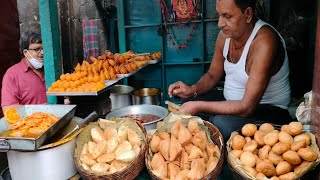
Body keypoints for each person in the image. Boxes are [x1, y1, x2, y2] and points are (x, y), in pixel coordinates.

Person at [168, 0, 292, 141]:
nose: (220, 23)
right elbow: (212, 75)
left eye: (227, 16)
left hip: (268, 110)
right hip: (231, 101)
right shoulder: (225, 36)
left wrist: (198, 106)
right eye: (219, 15)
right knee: (187, 103)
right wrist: (192, 89)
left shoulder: (264, 41)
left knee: (222, 125)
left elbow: (247, 107)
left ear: (248, 14)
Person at [1, 32, 47, 112]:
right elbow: (9, 109)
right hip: (32, 123)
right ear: (26, 53)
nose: (42, 53)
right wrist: (45, 109)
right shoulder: (12, 74)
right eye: (37, 49)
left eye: (44, 49)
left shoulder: (51, 69)